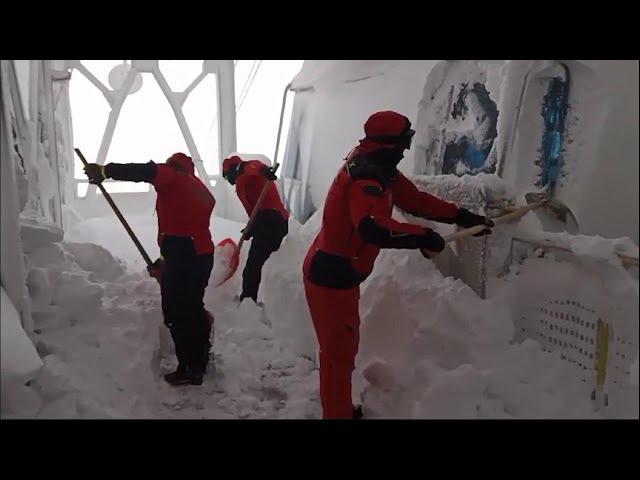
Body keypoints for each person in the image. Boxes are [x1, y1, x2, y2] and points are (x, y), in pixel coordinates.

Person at [302, 111, 494, 419]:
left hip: (342, 269)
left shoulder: (379, 164)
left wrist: (460, 215)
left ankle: (338, 408)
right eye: (404, 143)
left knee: (343, 348)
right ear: (389, 145)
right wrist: (424, 237)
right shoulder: (366, 178)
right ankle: (337, 414)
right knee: (338, 355)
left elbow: (414, 200)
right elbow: (373, 227)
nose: (406, 150)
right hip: (331, 277)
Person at [84, 153, 215, 386]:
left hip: (186, 254)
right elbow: (183, 226)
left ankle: (189, 368)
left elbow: (146, 170)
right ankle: (201, 357)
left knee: (176, 312)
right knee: (193, 306)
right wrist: (168, 263)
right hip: (200, 254)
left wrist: (106, 171)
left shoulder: (174, 176)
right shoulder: (195, 186)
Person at [221, 155, 289, 305]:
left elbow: (253, 209)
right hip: (281, 220)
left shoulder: (243, 179)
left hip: (268, 221)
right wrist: (250, 229)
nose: (229, 181)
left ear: (231, 171)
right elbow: (257, 168)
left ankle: (248, 302)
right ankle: (275, 302)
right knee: (273, 263)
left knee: (253, 266)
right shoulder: (252, 166)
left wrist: (264, 171)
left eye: (226, 176)